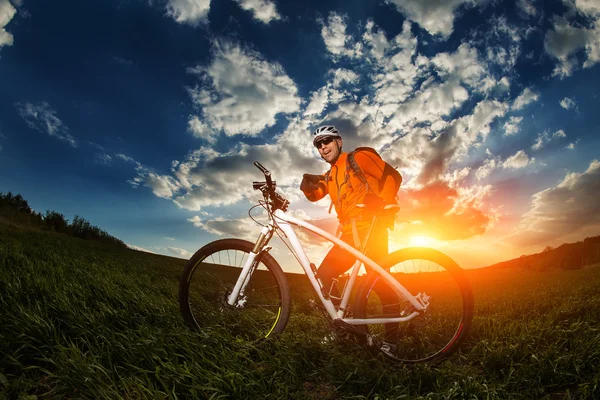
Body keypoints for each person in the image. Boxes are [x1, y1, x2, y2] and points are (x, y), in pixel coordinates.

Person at [300, 125, 401, 305]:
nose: (322, 146)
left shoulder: (358, 158)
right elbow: (316, 194)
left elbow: (392, 175)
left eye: (326, 140)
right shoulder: (330, 175)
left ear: (338, 142)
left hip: (372, 230)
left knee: (379, 284)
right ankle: (349, 329)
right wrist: (307, 186)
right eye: (318, 144)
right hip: (349, 237)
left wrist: (381, 201)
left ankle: (393, 334)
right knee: (322, 276)